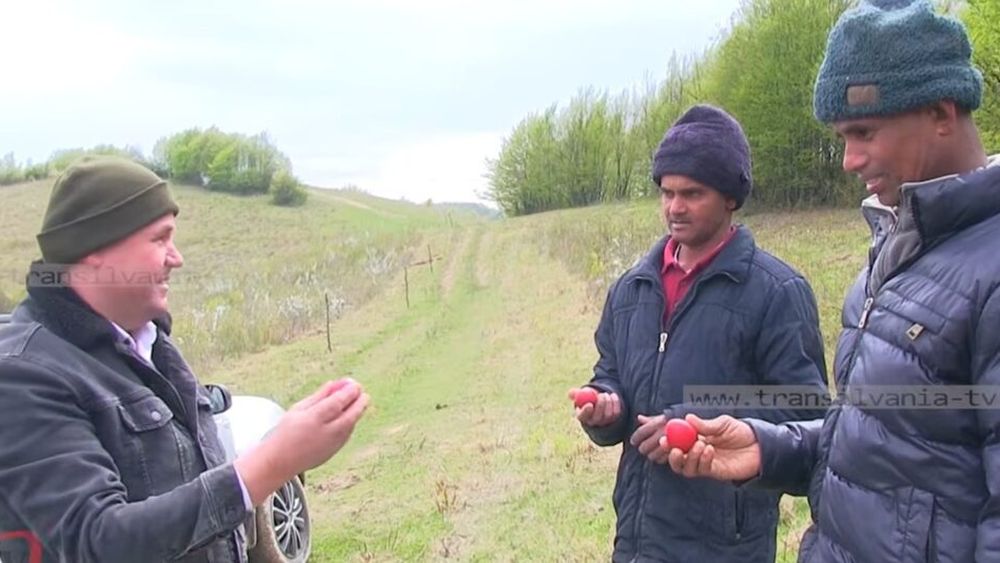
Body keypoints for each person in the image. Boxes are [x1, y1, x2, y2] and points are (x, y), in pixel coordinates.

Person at [665, 1, 1000, 561]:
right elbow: (883, 437)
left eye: (864, 131)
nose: (848, 159)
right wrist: (770, 449)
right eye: (842, 136)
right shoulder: (898, 246)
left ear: (942, 112)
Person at [0, 156, 370, 562]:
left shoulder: (147, 340)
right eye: (160, 239)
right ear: (95, 249)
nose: (176, 258)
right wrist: (273, 461)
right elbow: (99, 541)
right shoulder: (23, 373)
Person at [569, 104, 829, 562]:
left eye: (692, 193)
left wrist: (692, 420)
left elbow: (807, 415)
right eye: (666, 193)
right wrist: (606, 407)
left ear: (730, 197)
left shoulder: (778, 292)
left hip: (726, 545)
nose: (674, 207)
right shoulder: (632, 288)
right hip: (637, 539)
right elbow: (611, 372)